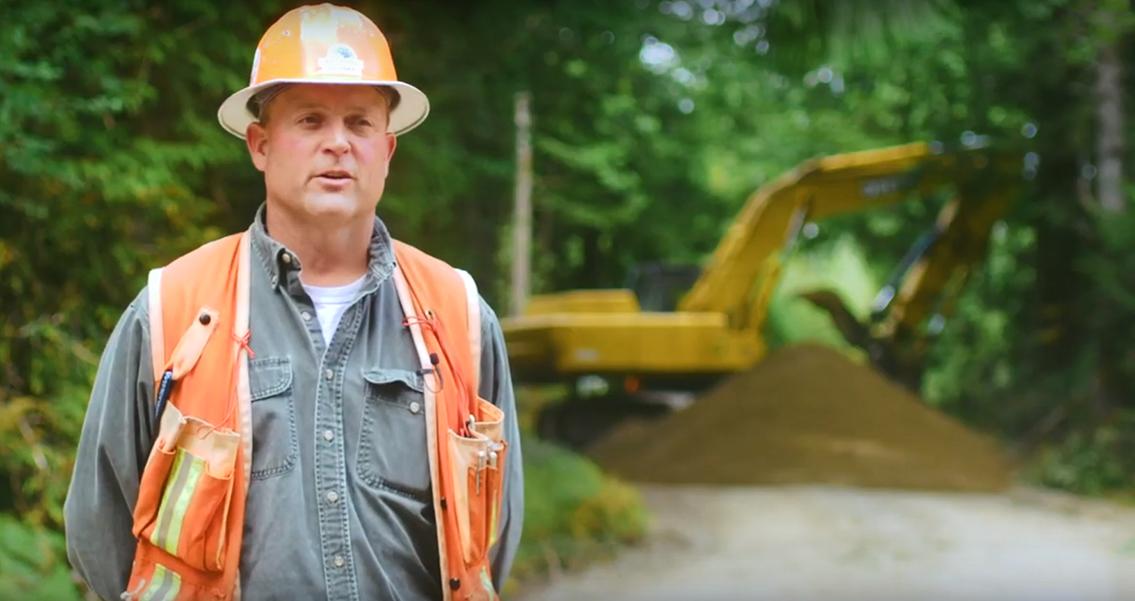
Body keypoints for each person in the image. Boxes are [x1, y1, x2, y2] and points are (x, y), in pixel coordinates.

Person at [63, 4, 523, 600]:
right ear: (260, 145)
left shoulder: (459, 317)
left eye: (359, 123)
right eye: (310, 120)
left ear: (387, 151)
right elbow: (98, 531)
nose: (337, 144)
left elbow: (491, 536)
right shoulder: (171, 309)